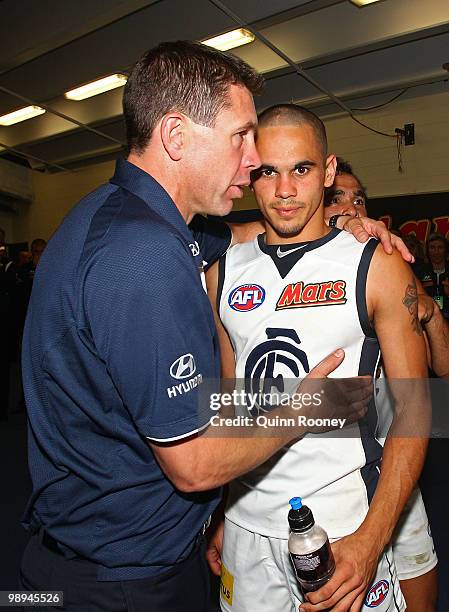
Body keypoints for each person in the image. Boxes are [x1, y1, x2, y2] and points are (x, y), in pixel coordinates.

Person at [20, 41, 382, 612]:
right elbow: (193, 465)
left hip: (91, 554)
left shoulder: (132, 216)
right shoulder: (141, 254)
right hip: (118, 582)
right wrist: (306, 409)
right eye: (240, 136)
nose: (251, 158)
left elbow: (239, 237)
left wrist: (330, 220)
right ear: (177, 136)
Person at [206, 104, 429, 611]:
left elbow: (415, 411)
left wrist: (374, 538)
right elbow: (228, 404)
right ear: (250, 172)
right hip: (245, 523)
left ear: (327, 172)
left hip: (345, 519)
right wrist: (221, 511)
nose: (284, 191)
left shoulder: (376, 264)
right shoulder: (221, 273)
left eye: (301, 169)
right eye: (268, 172)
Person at [323, 158, 439, 611]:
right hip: (330, 483)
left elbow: (440, 375)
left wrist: (428, 315)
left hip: (395, 470)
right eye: (340, 199)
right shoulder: (289, 275)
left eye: (360, 199)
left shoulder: (387, 266)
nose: (354, 209)